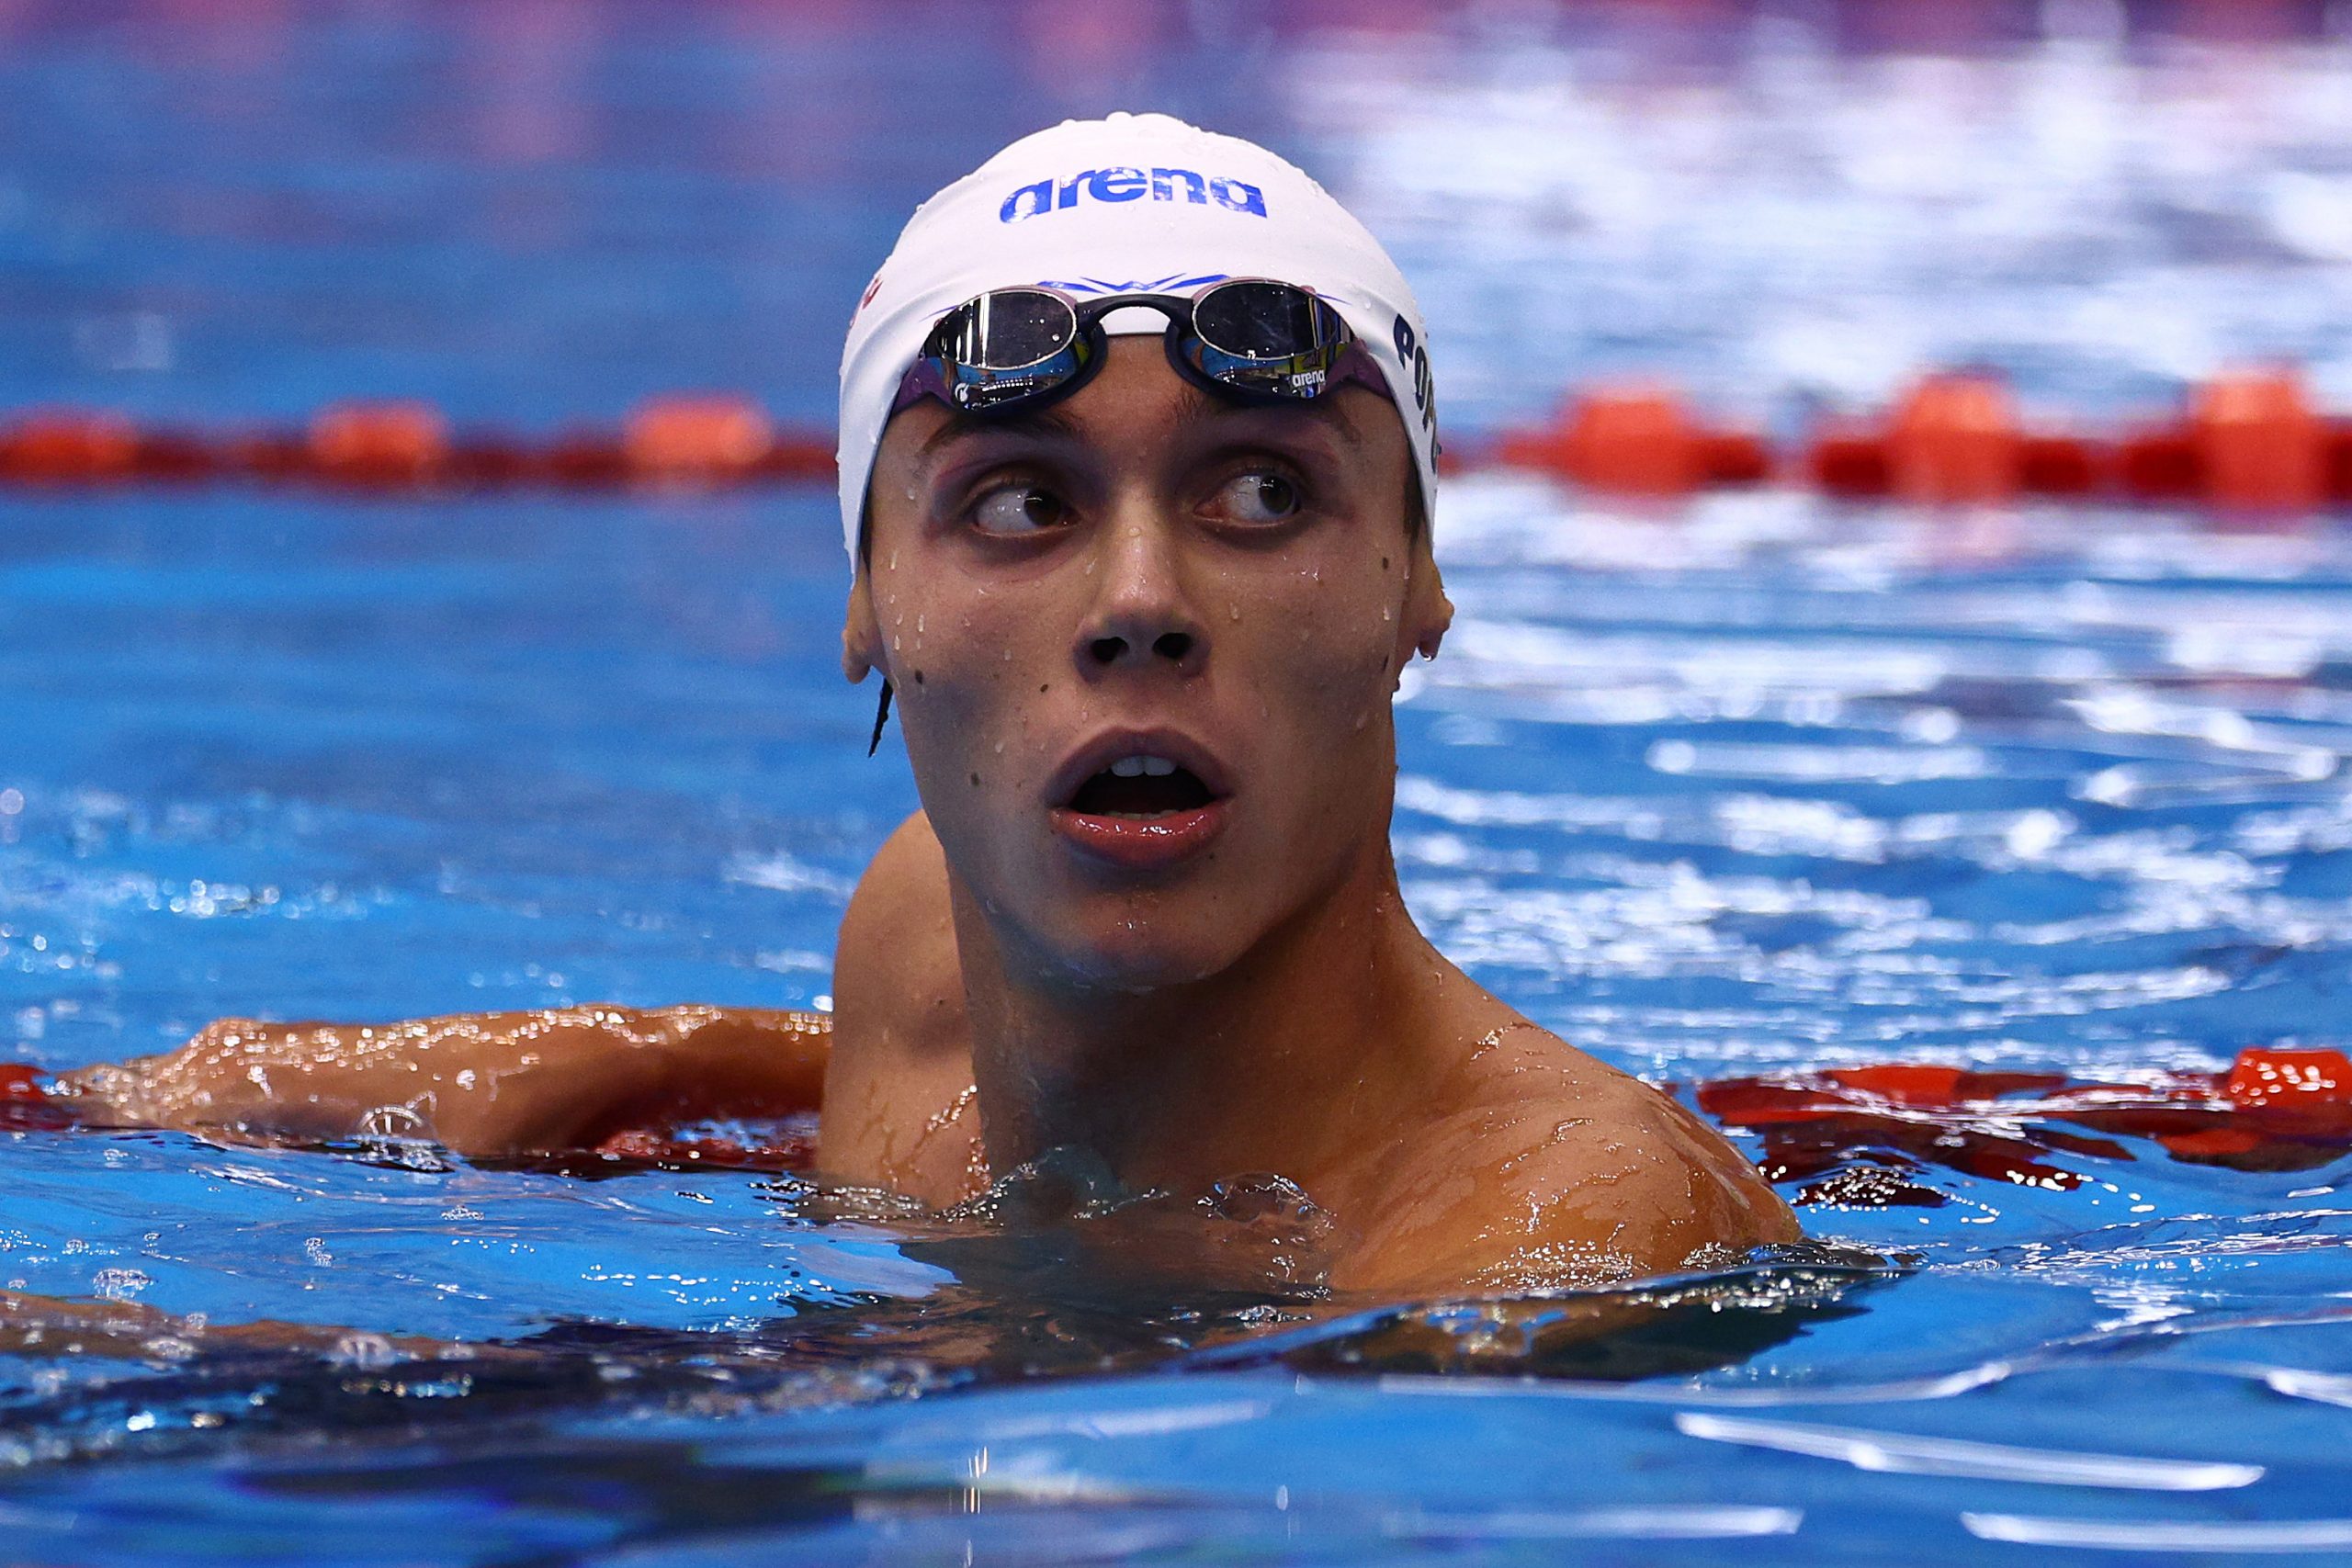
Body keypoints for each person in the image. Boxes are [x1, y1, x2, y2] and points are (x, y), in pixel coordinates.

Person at [56, 115, 1797, 1296]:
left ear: (1417, 585)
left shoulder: (1552, 1237)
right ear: (868, 606)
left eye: (1262, 495)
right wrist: (619, 1056)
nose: (1138, 608)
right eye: (1022, 505)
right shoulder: (917, 947)